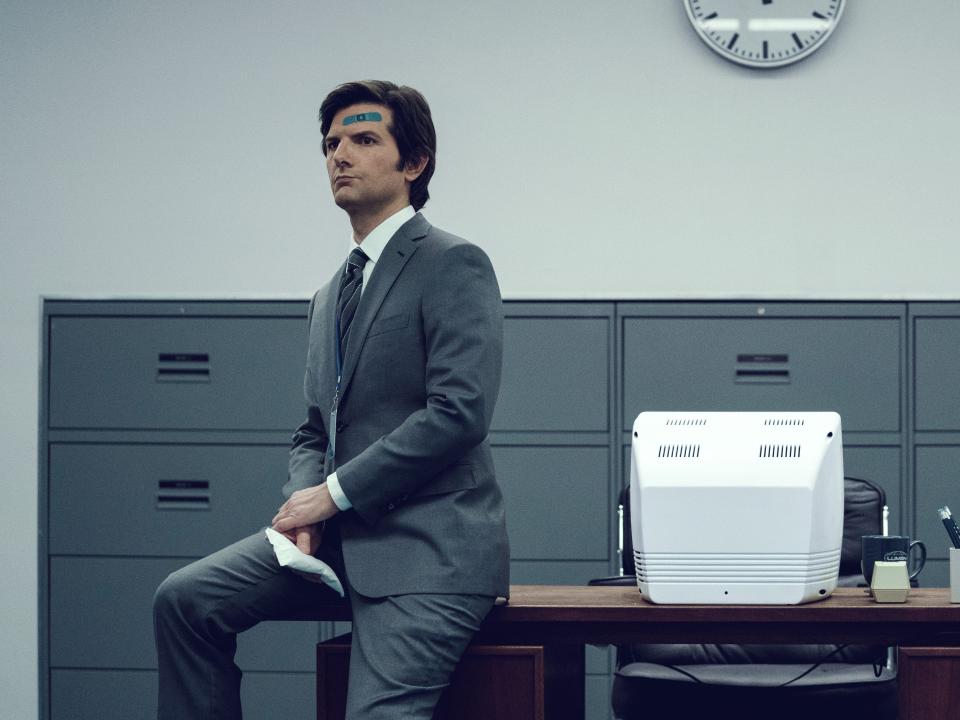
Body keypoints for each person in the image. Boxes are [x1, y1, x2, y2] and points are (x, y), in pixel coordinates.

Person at [153, 79, 510, 719]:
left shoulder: (454, 263)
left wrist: (335, 493)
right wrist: (305, 510)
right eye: (331, 142)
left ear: (414, 162)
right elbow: (315, 430)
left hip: (427, 552)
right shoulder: (328, 295)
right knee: (185, 600)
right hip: (335, 544)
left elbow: (458, 414)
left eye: (364, 138)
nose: (339, 154)